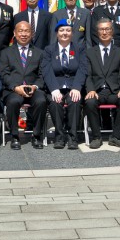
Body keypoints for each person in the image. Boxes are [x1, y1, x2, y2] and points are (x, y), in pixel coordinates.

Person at [82, 18, 120, 149]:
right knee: (90, 102)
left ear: (112, 31)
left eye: (107, 29)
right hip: (97, 90)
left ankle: (116, 136)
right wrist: (90, 90)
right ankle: (96, 137)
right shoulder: (89, 52)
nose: (104, 32)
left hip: (114, 91)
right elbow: (88, 75)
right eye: (101, 29)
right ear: (97, 32)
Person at [0, 21, 47, 150]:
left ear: (32, 34)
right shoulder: (6, 52)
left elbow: (42, 75)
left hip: (33, 89)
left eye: (27, 31)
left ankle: (36, 136)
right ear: (15, 33)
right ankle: (15, 136)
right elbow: (4, 74)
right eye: (20, 31)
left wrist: (35, 87)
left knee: (42, 101)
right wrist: (15, 87)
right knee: (14, 101)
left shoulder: (39, 53)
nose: (24, 34)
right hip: (13, 90)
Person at [40, 19, 86, 150]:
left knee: (75, 101)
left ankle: (73, 137)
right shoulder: (49, 50)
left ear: (72, 33)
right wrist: (54, 89)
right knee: (54, 103)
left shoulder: (79, 48)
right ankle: (59, 136)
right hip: (56, 86)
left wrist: (77, 87)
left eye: (68, 30)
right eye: (61, 30)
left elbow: (83, 68)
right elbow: (46, 70)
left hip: (73, 85)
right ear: (57, 33)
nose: (65, 33)